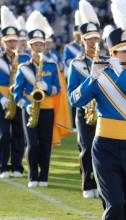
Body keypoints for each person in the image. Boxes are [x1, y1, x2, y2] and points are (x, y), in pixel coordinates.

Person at [68, 0, 126, 218]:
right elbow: (75, 100)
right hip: (105, 147)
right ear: (114, 53)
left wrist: (119, 73)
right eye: (123, 51)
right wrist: (92, 77)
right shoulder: (100, 76)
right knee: (114, 205)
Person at [13, 10, 60, 188]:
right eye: (35, 45)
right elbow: (17, 93)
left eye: (41, 45)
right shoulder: (22, 67)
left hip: (47, 108)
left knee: (46, 144)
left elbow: (58, 89)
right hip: (30, 109)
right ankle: (33, 176)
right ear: (30, 47)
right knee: (33, 144)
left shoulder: (51, 65)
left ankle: (44, 176)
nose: (38, 48)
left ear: (44, 47)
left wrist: (46, 88)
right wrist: (25, 105)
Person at [67, 0, 103, 199]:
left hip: (104, 111)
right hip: (84, 112)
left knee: (102, 150)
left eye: (96, 38)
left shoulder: (105, 60)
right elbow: (72, 95)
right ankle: (87, 184)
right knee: (86, 148)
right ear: (83, 40)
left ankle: (101, 183)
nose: (93, 42)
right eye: (89, 39)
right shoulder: (76, 64)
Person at [0, 6, 29, 179]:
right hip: (2, 99)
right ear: (3, 41)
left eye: (14, 40)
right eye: (8, 41)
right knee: (4, 134)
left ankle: (17, 165)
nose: (12, 44)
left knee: (19, 133)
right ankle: (3, 165)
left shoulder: (24, 58)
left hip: (19, 98)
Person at [64, 10, 82, 132]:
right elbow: (66, 61)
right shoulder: (69, 46)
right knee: (74, 96)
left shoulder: (85, 46)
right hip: (74, 73)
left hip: (85, 74)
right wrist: (77, 58)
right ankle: (75, 125)